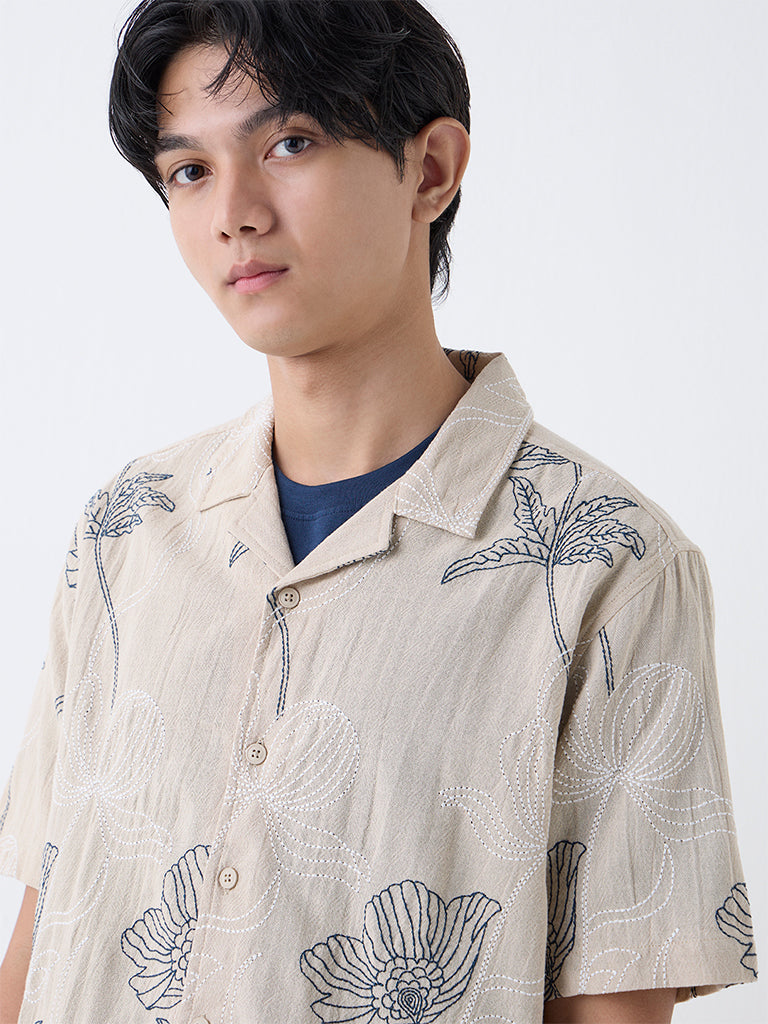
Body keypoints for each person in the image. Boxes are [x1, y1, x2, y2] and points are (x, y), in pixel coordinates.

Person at [0, 1, 757, 1022]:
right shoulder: (126, 531)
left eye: (290, 143)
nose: (234, 212)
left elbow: (612, 1002)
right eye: (190, 170)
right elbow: (47, 934)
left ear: (431, 169)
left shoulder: (610, 569)